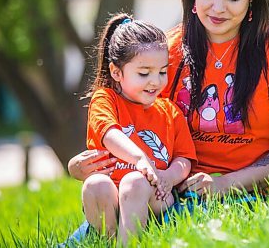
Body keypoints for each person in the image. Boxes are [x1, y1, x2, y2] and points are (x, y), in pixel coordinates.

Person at [65, 0, 269, 242]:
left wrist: (224, 184)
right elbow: (124, 121)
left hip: (245, 195)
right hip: (161, 192)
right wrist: (86, 165)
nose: (218, 7)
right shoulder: (164, 53)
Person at [76, 13, 197, 245]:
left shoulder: (169, 111)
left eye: (162, 71)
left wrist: (168, 177)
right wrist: (140, 158)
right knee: (95, 184)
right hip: (112, 199)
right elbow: (109, 133)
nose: (156, 81)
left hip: (155, 199)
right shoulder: (106, 99)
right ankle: (108, 240)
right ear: (116, 72)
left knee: (134, 182)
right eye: (144, 73)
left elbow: (184, 158)